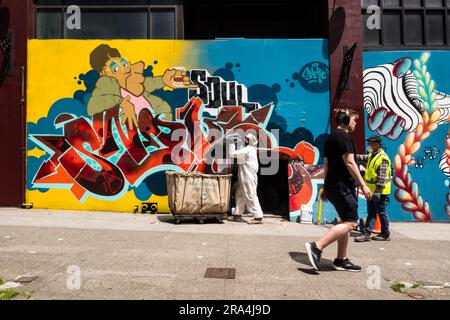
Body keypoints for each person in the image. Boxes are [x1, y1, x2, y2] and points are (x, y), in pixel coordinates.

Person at [305, 108, 372, 272]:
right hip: (342, 186)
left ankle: (341, 259)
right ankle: (317, 247)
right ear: (347, 119)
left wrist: (325, 186)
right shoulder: (344, 137)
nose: (356, 123)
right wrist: (363, 184)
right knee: (351, 222)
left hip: (333, 185)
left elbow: (326, 164)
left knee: (344, 220)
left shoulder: (330, 138)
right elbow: (350, 163)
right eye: (355, 120)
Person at [355, 135, 392, 242]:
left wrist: (377, 192)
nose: (368, 146)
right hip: (372, 191)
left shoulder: (382, 158)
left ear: (377, 144)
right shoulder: (372, 155)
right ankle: (371, 233)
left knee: (381, 212)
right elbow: (362, 158)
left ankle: (382, 234)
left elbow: (382, 177)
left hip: (378, 191)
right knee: (372, 212)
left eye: (370, 144)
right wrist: (352, 155)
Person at [226, 132, 264, 224]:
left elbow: (232, 154)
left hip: (248, 177)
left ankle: (258, 216)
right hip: (245, 176)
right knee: (240, 195)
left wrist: (231, 142)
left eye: (246, 139)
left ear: (250, 141)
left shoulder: (248, 150)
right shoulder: (248, 149)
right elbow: (240, 156)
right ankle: (237, 215)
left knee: (250, 195)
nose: (245, 140)